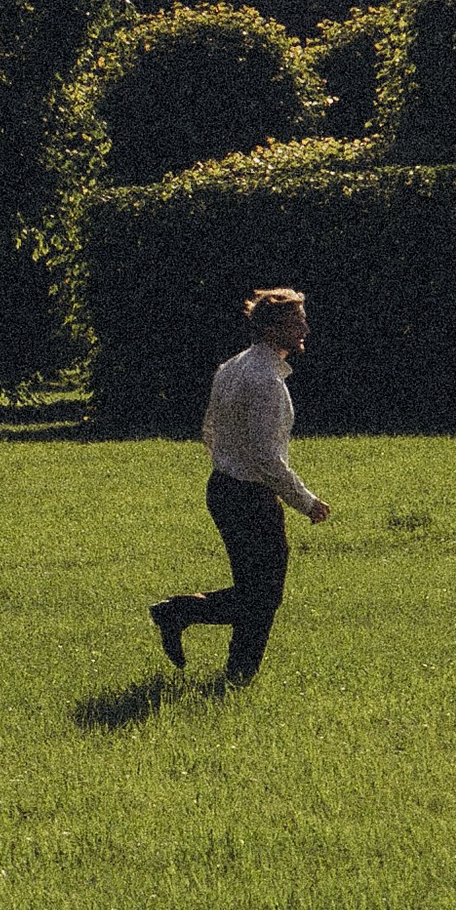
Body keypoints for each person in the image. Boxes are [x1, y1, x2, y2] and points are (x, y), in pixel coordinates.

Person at [149, 286, 332, 681]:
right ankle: (229, 666)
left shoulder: (233, 366)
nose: (305, 328)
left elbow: (210, 429)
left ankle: (218, 653)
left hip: (224, 487)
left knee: (255, 593)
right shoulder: (265, 380)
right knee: (264, 597)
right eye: (296, 320)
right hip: (250, 495)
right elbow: (267, 457)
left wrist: (226, 465)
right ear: (272, 329)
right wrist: (306, 501)